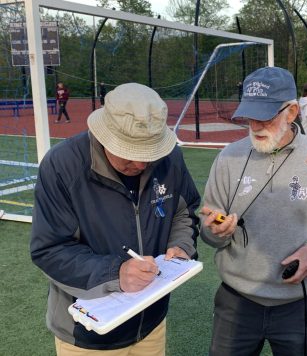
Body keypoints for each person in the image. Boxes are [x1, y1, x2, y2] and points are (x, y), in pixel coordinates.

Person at [30, 83, 201, 355]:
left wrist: (181, 245)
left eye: (150, 153)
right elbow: (49, 250)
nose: (143, 165)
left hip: (151, 323)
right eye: (132, 153)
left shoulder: (170, 158)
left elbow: (185, 210)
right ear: (104, 136)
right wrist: (116, 273)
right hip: (88, 335)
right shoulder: (62, 166)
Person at [200, 67, 307, 355]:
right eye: (249, 116)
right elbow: (208, 227)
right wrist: (215, 231)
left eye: (264, 116)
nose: (254, 125)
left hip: (301, 303)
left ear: (291, 113)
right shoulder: (228, 157)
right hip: (236, 301)